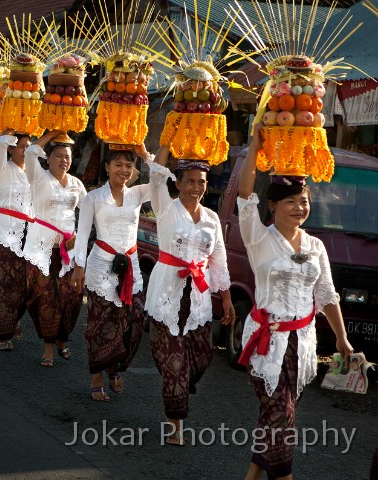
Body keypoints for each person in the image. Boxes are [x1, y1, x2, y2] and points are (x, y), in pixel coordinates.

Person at [238, 125, 352, 480]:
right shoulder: (258, 238)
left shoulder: (316, 247)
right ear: (272, 205)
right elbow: (244, 193)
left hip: (302, 346)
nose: (300, 207)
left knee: (276, 418)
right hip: (267, 343)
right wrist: (256, 143)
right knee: (281, 420)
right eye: (291, 201)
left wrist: (342, 339)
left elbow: (327, 296)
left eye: (304, 201)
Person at [145, 146, 234, 444]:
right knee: (175, 360)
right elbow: (155, 176)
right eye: (190, 181)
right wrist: (167, 144)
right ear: (179, 183)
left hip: (198, 296)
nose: (196, 187)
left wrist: (226, 298)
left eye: (201, 182)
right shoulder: (166, 207)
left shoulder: (211, 218)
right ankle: (175, 423)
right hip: (167, 293)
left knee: (202, 357)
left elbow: (219, 258)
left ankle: (180, 383)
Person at [73, 147, 150, 400]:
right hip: (100, 267)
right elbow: (83, 233)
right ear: (107, 167)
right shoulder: (93, 197)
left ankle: (116, 367)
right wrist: (78, 266)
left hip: (131, 267)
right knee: (99, 323)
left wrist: (145, 152)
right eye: (118, 164)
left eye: (129, 165)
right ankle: (97, 375)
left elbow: (165, 180)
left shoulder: (138, 194)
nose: (124, 170)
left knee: (134, 323)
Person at [23, 130, 86, 367]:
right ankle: (48, 345)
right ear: (48, 159)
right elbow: (30, 151)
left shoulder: (76, 184)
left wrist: (78, 236)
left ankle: (62, 338)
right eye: (58, 155)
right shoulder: (38, 177)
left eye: (67, 156)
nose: (63, 160)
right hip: (42, 248)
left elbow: (88, 213)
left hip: (68, 251)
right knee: (45, 297)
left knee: (71, 297)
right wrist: (52, 133)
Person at [0, 131, 33, 350]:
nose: (25, 150)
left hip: (28, 235)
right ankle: (3, 333)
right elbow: (0, 145)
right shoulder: (0, 169)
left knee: (23, 284)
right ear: (11, 148)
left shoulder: (36, 174)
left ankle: (14, 318)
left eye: (28, 147)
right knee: (1, 282)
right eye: (21, 146)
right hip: (2, 233)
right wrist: (9, 128)